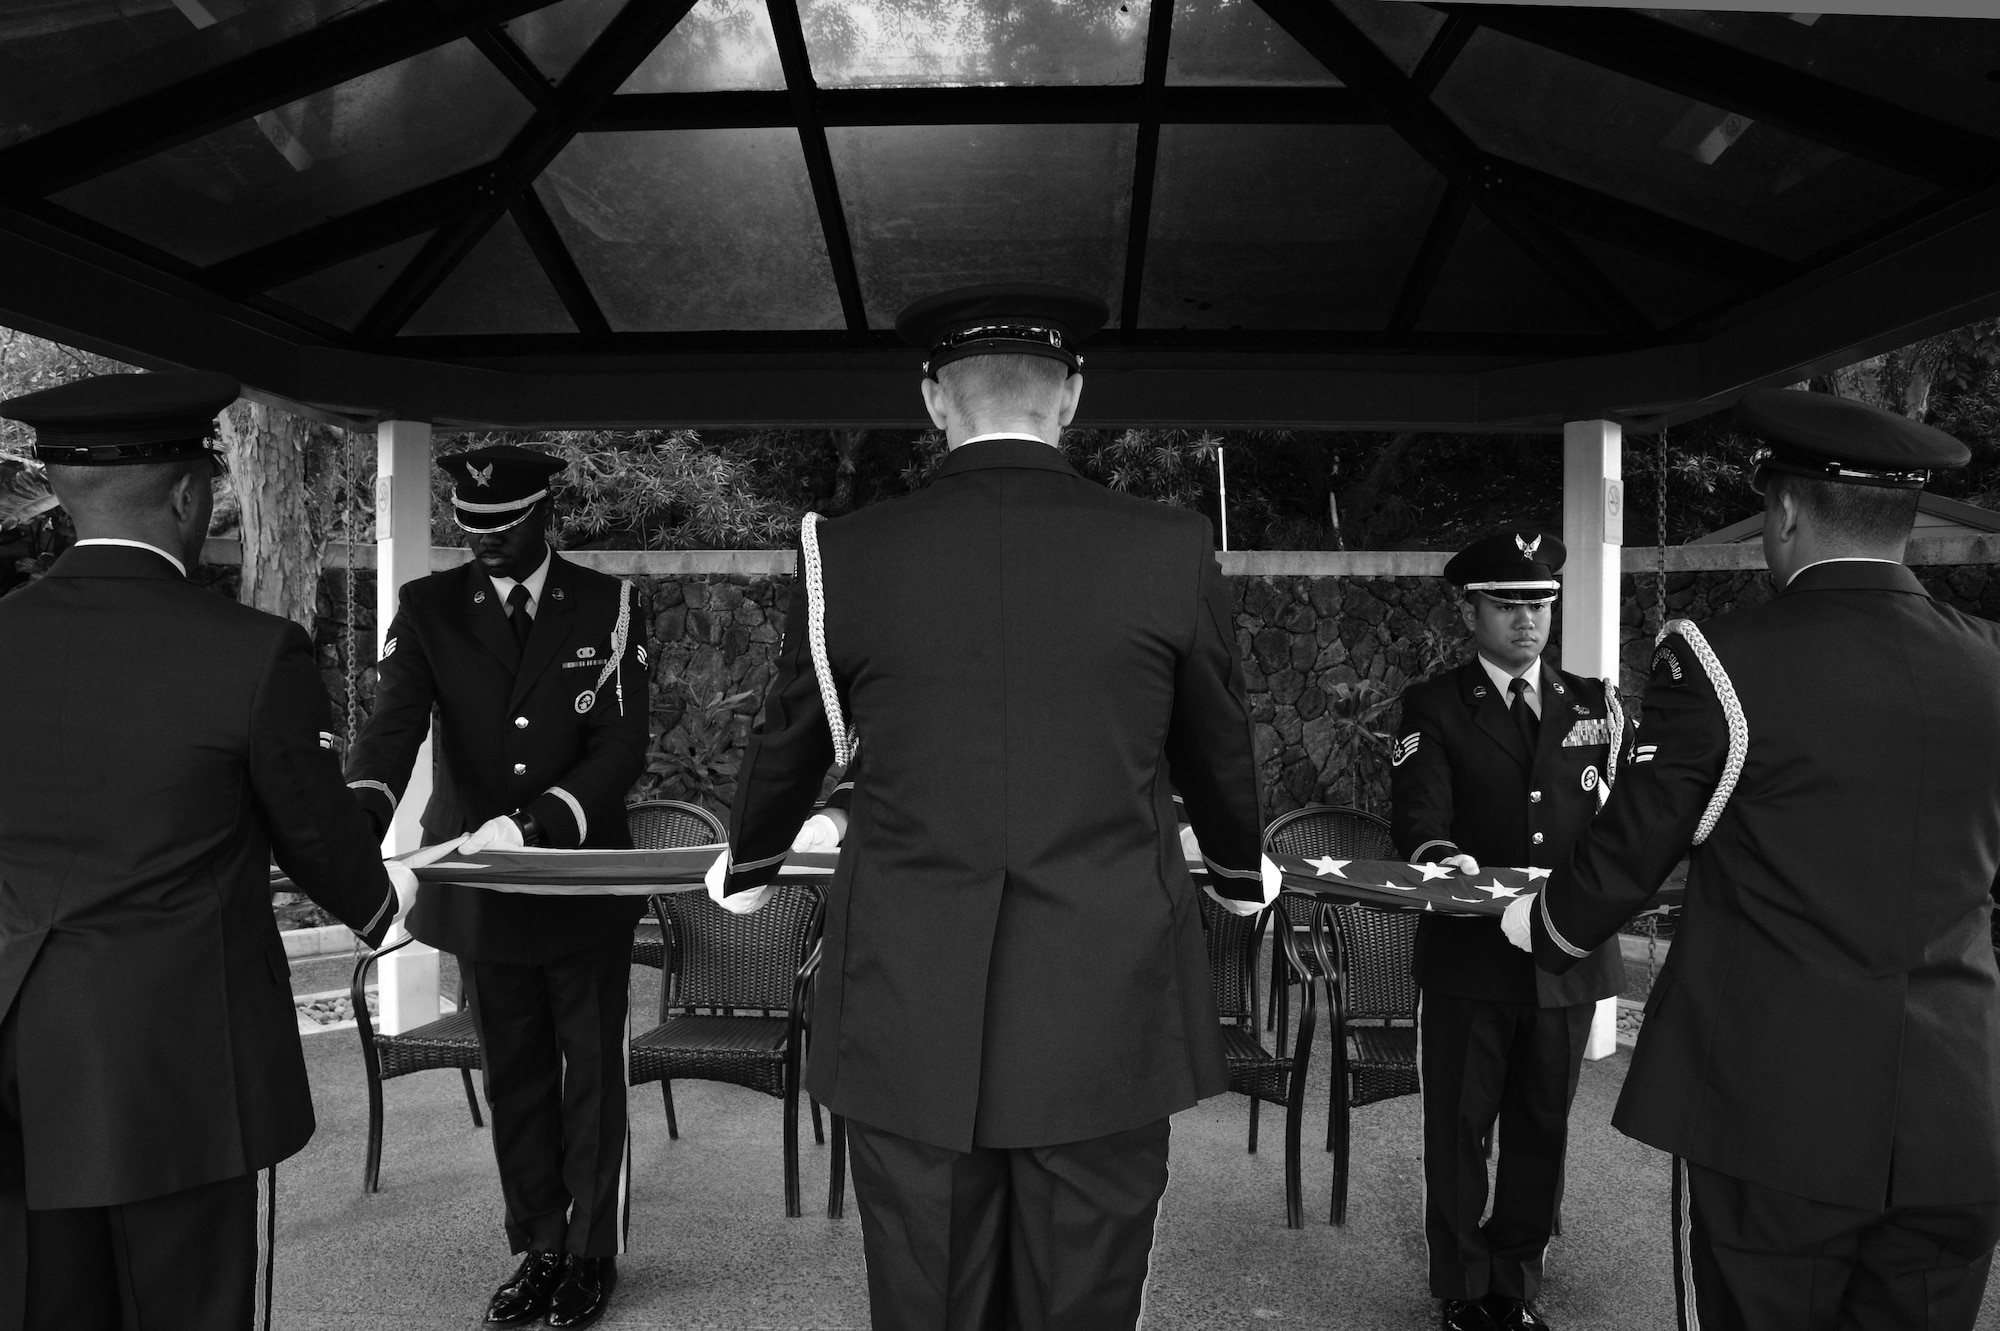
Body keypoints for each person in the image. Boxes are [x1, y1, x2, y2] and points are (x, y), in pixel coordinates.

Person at [709, 282, 1274, 1331]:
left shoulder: (849, 551)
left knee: (929, 1298)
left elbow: (787, 740)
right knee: (1083, 1300)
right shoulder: (1167, 543)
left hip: (909, 999)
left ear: (933, 398)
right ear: (1069, 395)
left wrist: (745, 866)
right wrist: (1240, 879)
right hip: (1105, 1000)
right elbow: (1218, 749)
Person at [1511, 388, 2000, 1331]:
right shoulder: (1990, 665)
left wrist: (1542, 923)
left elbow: (1632, 849)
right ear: (1907, 520)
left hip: (1775, 1116)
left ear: (1781, 513)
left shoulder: (1721, 658)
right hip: (1960, 1113)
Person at [0, 371, 414, 1331]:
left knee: (40, 1299)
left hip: (20, 1042)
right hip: (177, 1063)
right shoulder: (251, 651)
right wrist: (388, 906)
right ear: (191, 495)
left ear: (61, 493)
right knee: (187, 1306)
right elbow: (317, 835)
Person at [344, 444, 649, 1331]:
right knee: (515, 1075)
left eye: (503, 527)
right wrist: (355, 824)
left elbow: (620, 749)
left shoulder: (606, 602)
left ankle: (591, 1253)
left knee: (590, 1072)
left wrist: (534, 822)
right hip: (484, 887)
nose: (483, 544)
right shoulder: (429, 608)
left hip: (580, 876)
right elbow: (392, 726)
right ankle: (540, 1248)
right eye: (469, 527)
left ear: (546, 511)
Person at [1390, 530, 1628, 1331]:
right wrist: (1441, 854)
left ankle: (1513, 1286)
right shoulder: (1434, 704)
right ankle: (1462, 1287)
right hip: (1472, 952)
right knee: (1459, 1127)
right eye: (1508, 604)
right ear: (1471, 610)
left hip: (1565, 952)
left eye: (1540, 604)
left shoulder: (1595, 703)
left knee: (1542, 1130)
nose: (1527, 621)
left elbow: (1619, 817)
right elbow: (1418, 812)